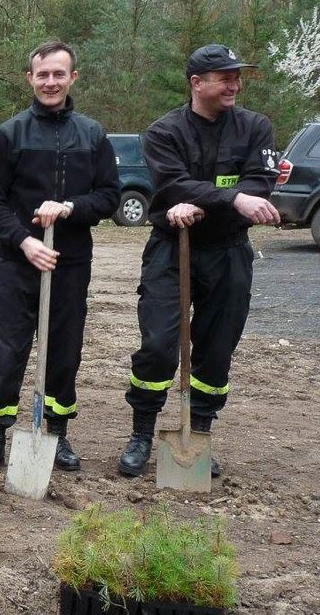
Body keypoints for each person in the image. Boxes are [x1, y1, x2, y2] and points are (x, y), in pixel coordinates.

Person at [118, 44, 280, 479]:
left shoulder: (254, 127)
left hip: (228, 251)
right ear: (196, 82)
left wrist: (225, 199)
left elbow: (259, 181)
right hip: (173, 249)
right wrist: (233, 198)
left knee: (216, 349)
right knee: (157, 344)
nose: (234, 84)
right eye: (225, 77)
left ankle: (199, 433)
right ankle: (141, 435)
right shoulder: (164, 131)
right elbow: (174, 185)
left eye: (237, 76)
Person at [0, 41, 120, 474]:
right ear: (30, 78)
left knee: (64, 352)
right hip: (18, 263)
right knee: (7, 352)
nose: (50, 82)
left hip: (70, 263)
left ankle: (57, 433)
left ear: (73, 77)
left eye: (59, 74)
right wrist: (24, 241)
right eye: (43, 75)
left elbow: (109, 196)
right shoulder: (11, 133)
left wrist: (71, 207)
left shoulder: (92, 135)